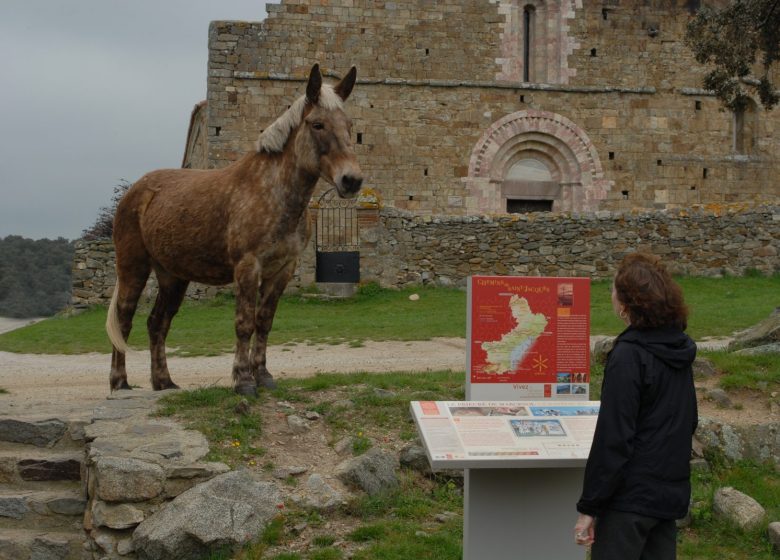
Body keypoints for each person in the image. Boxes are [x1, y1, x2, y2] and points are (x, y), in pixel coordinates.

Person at [574, 252, 698, 559]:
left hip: (629, 502)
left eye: (615, 289)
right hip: (667, 496)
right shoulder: (678, 349)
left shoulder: (628, 355)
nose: (611, 295)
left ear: (628, 302)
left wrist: (589, 507)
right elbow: (688, 420)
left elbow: (614, 437)